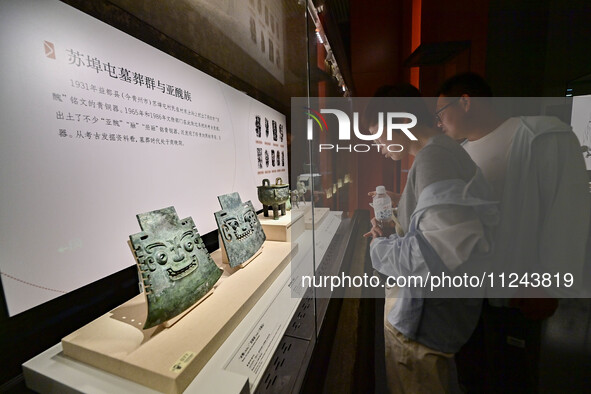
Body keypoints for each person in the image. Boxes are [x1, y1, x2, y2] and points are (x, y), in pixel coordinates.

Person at [436, 72, 590, 392]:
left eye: (441, 112)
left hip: (515, 295)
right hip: (469, 295)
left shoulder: (541, 136)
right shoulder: (462, 152)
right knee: (473, 377)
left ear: (465, 102)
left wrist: (550, 282)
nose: (438, 122)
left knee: (512, 377)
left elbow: (567, 212)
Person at [363, 84, 499, 393]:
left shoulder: (431, 159)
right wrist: (396, 219)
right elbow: (439, 229)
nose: (378, 146)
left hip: (421, 326)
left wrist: (377, 247)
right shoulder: (444, 151)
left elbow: (432, 256)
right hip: (441, 320)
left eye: (378, 135)